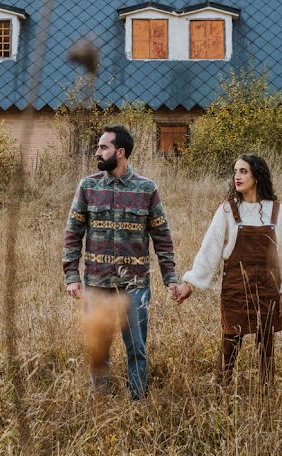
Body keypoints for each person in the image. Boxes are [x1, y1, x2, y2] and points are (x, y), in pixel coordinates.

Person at [62, 124, 180, 400]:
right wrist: (71, 276)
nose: (97, 152)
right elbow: (73, 233)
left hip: (134, 284)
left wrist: (170, 277)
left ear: (121, 152)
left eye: (103, 147)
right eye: (98, 147)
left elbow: (162, 236)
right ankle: (100, 401)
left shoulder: (146, 189)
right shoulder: (88, 187)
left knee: (136, 348)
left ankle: (137, 399)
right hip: (97, 282)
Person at [173, 154, 282, 386]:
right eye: (236, 171)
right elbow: (210, 249)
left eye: (244, 171)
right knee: (231, 340)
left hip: (268, 288)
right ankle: (221, 389)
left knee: (266, 344)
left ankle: (266, 394)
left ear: (257, 175)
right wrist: (191, 283)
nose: (237, 177)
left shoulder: (277, 211)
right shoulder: (227, 211)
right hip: (236, 287)